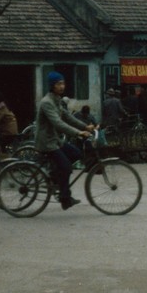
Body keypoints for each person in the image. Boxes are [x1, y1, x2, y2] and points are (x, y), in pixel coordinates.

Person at [35, 71, 95, 210]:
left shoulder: (57, 100)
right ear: (52, 86)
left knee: (76, 154)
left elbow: (68, 117)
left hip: (55, 140)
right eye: (58, 84)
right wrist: (78, 132)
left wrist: (85, 126)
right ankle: (64, 198)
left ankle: (55, 176)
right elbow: (58, 123)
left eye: (63, 83)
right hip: (47, 142)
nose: (62, 86)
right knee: (66, 166)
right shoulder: (47, 102)